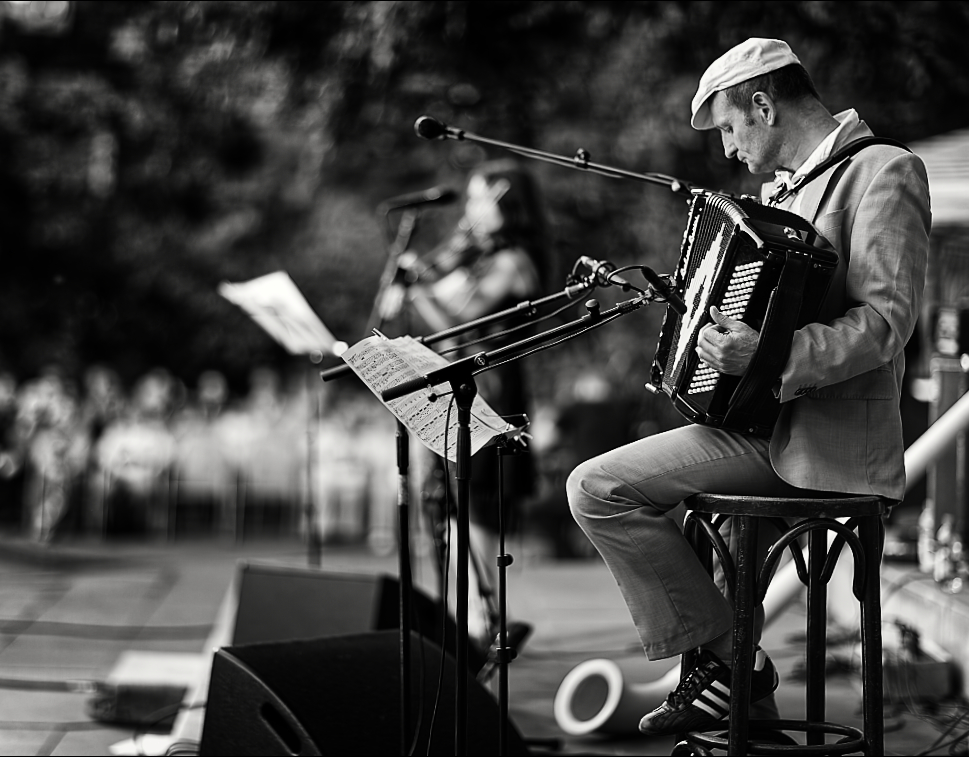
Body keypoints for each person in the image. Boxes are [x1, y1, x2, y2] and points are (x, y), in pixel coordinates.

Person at [567, 38, 931, 736]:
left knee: (599, 489)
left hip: (828, 441)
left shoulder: (885, 171)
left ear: (763, 104)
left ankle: (735, 674)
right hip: (759, 427)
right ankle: (739, 688)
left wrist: (765, 356)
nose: (728, 148)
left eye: (731, 128)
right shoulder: (778, 194)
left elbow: (886, 324)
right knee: (601, 488)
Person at [380, 159, 547, 651]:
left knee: (471, 507)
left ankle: (485, 619)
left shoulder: (514, 261)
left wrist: (416, 288)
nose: (471, 209)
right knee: (446, 507)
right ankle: (474, 616)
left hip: (489, 396)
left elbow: (461, 320)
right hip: (455, 393)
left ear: (506, 203)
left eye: (480, 198)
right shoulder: (476, 255)